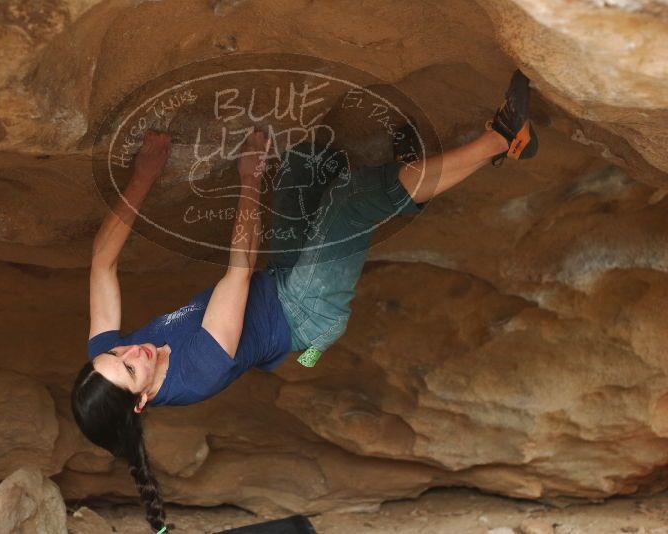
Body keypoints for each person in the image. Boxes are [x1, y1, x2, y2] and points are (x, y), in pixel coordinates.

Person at [71, 70, 538, 533]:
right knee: (352, 202)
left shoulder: (105, 365)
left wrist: (143, 176)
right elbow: (238, 267)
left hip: (277, 284)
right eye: (131, 369)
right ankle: (503, 139)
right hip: (306, 315)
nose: (133, 351)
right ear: (140, 404)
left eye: (116, 353)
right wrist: (249, 176)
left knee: (307, 163)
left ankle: (403, 185)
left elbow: (101, 264)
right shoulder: (199, 371)